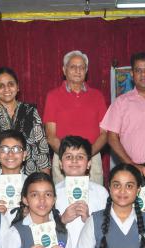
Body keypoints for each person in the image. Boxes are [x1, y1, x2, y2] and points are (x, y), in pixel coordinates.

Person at [55, 136, 109, 248]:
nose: (74, 161)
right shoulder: (51, 193)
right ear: (60, 164)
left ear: (89, 164)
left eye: (80, 157)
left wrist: (90, 220)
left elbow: (109, 231)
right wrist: (61, 220)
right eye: (68, 157)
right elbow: (41, 229)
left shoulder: (101, 193)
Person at [0, 67, 50, 178]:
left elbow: (42, 148)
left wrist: (45, 180)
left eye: (11, 84)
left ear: (18, 87)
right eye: (1, 86)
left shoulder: (30, 111)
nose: (6, 89)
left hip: (28, 178)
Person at [44, 50, 108, 185]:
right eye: (73, 67)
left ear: (86, 71)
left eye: (82, 67)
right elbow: (51, 136)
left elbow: (104, 134)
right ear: (64, 70)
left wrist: (86, 155)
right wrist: (68, 156)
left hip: (92, 158)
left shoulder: (97, 96)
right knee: (62, 197)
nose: (78, 71)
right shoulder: (53, 96)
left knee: (94, 197)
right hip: (62, 158)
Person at [0, 130, 27, 226]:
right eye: (4, 149)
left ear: (24, 155)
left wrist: (33, 214)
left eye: (16, 149)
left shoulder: (33, 185)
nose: (10, 154)